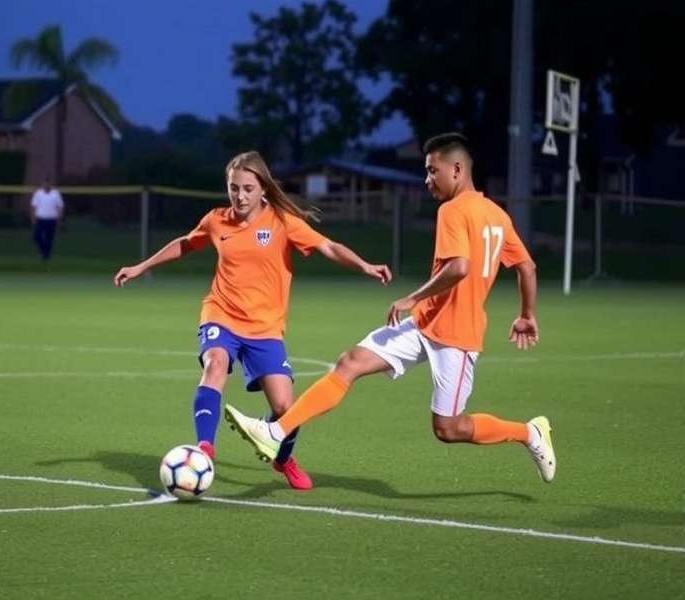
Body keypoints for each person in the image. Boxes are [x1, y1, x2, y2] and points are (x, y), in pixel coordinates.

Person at [225, 133, 557, 483]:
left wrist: (412, 297)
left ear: (456, 169)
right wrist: (527, 314)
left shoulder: (453, 210)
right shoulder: (498, 215)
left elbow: (459, 267)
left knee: (448, 428)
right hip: (425, 324)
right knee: (349, 362)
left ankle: (530, 433)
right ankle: (276, 433)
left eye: (432, 171)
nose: (427, 179)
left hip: (458, 337)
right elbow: (527, 267)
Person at [113, 151, 392, 490]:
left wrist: (364, 265)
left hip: (265, 328)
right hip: (221, 313)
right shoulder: (217, 220)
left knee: (285, 406)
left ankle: (283, 459)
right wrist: (142, 266)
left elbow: (328, 247)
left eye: (247, 188)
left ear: (263, 189)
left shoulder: (282, 222)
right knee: (215, 363)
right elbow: (186, 244)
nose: (240, 196)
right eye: (233, 188)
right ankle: (204, 449)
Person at [30, 178, 65, 261]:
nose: (46, 185)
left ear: (50, 184)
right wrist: (32, 217)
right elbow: (33, 206)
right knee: (36, 237)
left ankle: (46, 256)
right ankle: (43, 252)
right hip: (40, 218)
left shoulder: (56, 194)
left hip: (52, 219)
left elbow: (60, 207)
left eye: (48, 184)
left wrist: (60, 218)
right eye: (44, 184)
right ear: (42, 184)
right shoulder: (38, 193)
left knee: (49, 239)